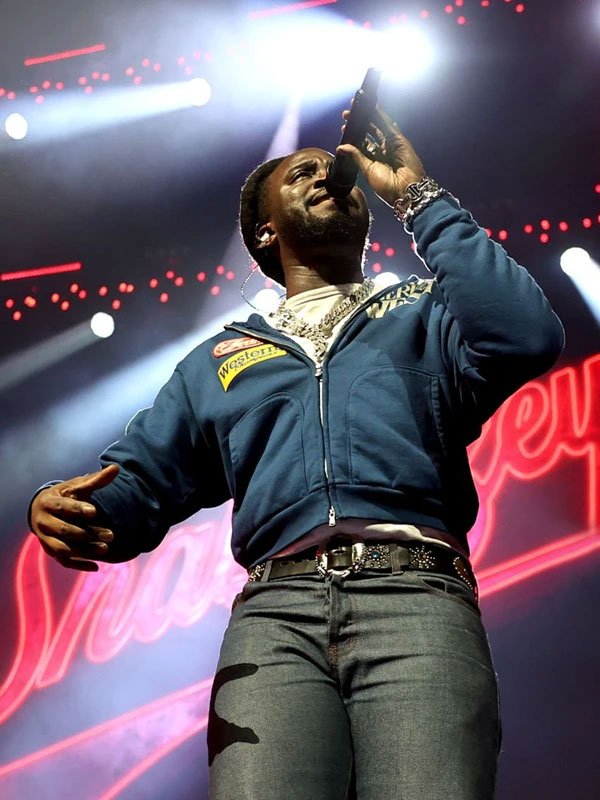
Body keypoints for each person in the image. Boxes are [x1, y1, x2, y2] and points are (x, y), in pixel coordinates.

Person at [29, 105, 564, 800]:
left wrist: (417, 196)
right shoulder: (217, 361)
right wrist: (65, 507)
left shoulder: (425, 313)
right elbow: (138, 485)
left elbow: (526, 334)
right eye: (300, 172)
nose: (325, 175)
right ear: (265, 230)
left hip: (417, 598)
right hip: (274, 619)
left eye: (332, 170)